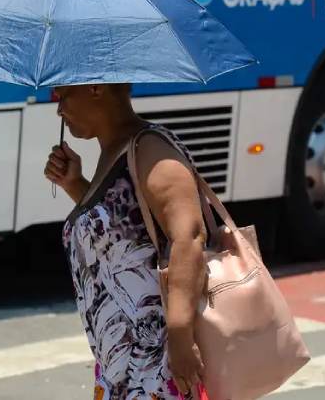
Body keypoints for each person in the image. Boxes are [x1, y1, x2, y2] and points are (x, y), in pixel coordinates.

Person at [44, 82, 209, 400]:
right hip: (122, 367)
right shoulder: (114, 150)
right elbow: (122, 238)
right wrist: (74, 184)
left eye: (63, 96)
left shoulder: (150, 149)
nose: (59, 109)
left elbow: (187, 237)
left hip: (157, 364)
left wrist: (179, 335)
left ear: (95, 88)